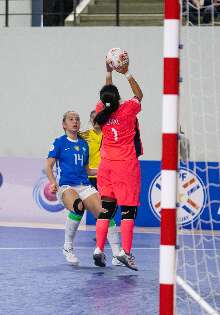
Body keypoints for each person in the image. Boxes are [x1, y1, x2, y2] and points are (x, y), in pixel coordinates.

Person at [93, 56, 143, 271]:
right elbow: (139, 95)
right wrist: (126, 73)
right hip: (125, 165)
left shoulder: (101, 113)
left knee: (106, 209)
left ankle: (98, 249)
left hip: (106, 166)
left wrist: (108, 73)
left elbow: (106, 96)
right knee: (128, 211)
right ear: (118, 97)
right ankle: (126, 252)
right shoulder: (128, 110)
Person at [45, 110, 107, 266]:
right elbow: (48, 165)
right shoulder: (59, 142)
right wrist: (53, 182)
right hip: (66, 186)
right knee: (78, 207)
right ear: (64, 124)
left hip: (84, 185)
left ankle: (113, 251)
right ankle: (68, 247)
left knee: (103, 212)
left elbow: (87, 170)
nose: (75, 122)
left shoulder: (83, 144)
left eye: (77, 119)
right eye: (71, 119)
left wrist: (104, 170)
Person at [79, 111, 123, 267]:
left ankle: (115, 253)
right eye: (93, 118)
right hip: (87, 179)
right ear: (90, 120)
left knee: (106, 214)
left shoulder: (111, 135)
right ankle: (68, 246)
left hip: (106, 179)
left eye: (99, 117)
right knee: (78, 211)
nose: (96, 120)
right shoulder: (83, 135)